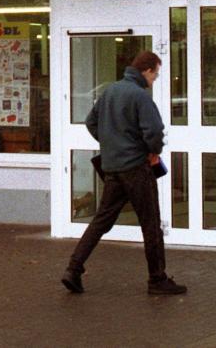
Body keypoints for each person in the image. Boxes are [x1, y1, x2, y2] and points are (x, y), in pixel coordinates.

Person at [61, 51, 187, 295]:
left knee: (101, 221)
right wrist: (153, 151)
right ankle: (157, 279)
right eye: (156, 74)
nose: (155, 79)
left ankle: (73, 269)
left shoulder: (110, 91)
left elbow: (91, 122)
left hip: (112, 169)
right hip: (137, 169)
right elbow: (154, 132)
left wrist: (111, 144)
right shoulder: (140, 96)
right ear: (147, 70)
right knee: (150, 225)